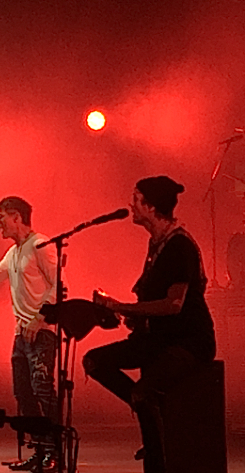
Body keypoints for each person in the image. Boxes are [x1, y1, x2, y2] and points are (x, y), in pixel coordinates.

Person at [83, 176, 216, 473]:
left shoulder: (179, 245)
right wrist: (127, 315)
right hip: (159, 337)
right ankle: (152, 420)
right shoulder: (156, 243)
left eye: (137, 199)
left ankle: (157, 455)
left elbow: (173, 304)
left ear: (151, 206)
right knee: (95, 361)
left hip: (188, 341)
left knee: (144, 391)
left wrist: (122, 306)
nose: (132, 205)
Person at [0, 196, 59, 472]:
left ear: (16, 217)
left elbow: (58, 286)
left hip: (42, 331)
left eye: (0, 217)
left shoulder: (40, 245)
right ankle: (39, 450)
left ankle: (55, 451)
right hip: (20, 334)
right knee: (23, 393)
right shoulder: (13, 253)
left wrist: (40, 318)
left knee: (43, 390)